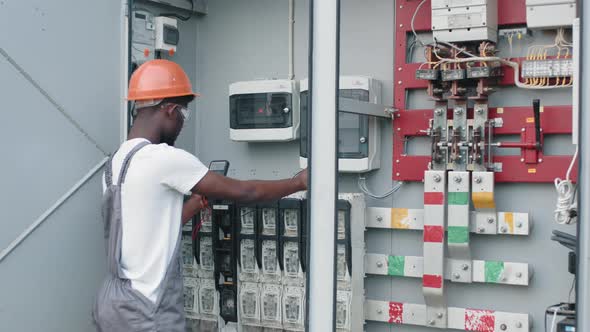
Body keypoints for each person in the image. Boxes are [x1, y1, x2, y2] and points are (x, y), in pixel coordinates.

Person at [93, 59, 307, 332]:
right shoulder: (164, 159)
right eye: (185, 113)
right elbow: (246, 191)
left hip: (113, 305)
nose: (183, 122)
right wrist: (298, 181)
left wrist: (193, 206)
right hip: (147, 310)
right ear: (170, 110)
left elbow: (147, 232)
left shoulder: (116, 163)